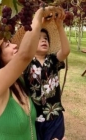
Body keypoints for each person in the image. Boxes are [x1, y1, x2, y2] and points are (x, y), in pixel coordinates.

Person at [0, 6, 60, 140]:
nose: (14, 45)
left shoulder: (19, 80)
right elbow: (25, 56)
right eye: (7, 45)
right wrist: (38, 15)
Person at [23, 7, 70, 140]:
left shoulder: (53, 60)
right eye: (38, 38)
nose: (44, 40)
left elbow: (65, 51)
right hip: (35, 118)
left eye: (46, 38)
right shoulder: (26, 63)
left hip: (54, 116)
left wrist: (59, 27)